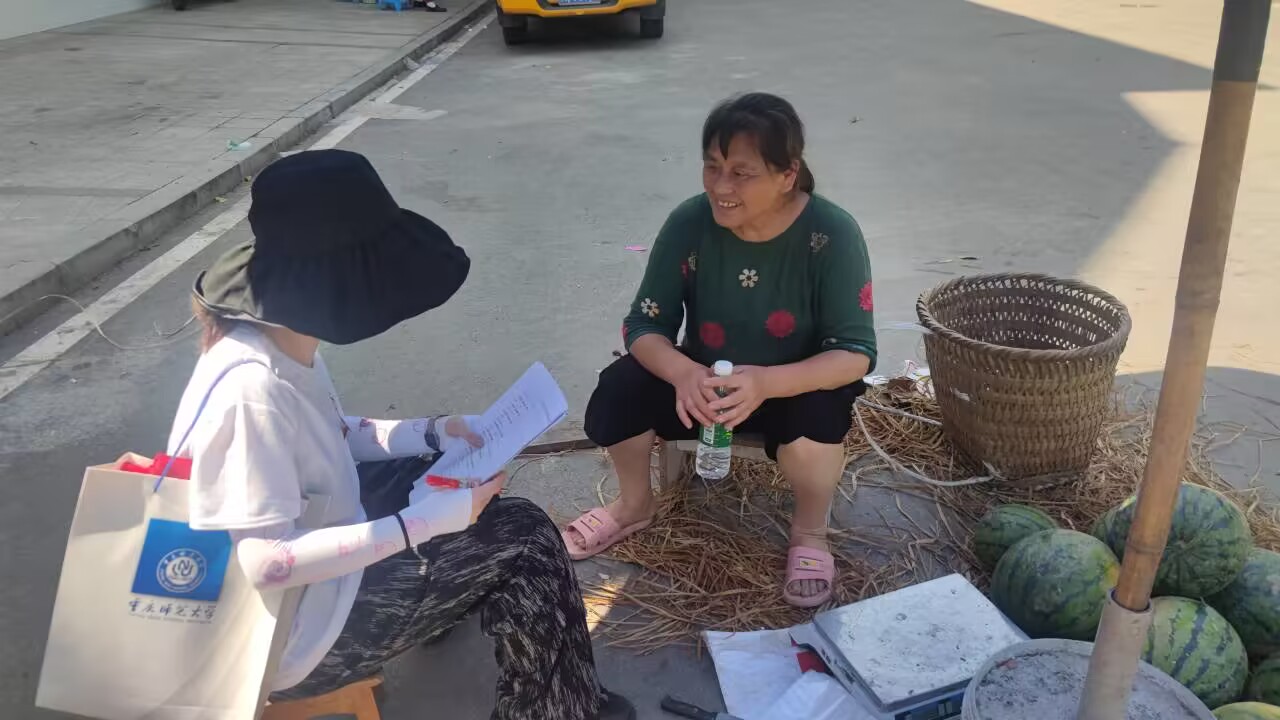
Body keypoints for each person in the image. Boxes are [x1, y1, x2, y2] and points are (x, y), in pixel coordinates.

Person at [170, 149, 634, 720]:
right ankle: (557, 710)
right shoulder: (252, 391)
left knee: (440, 472)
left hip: (309, 578)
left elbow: (334, 435)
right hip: (292, 636)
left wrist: (438, 432)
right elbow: (266, 562)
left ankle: (447, 599)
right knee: (526, 537)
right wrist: (426, 524)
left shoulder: (276, 338)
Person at [563, 93, 876, 609]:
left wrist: (766, 383)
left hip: (793, 385)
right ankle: (634, 505)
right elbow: (644, 324)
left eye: (741, 173)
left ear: (787, 174)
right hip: (705, 385)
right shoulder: (690, 222)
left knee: (819, 426)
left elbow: (855, 352)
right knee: (621, 388)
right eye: (712, 167)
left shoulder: (832, 234)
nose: (720, 187)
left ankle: (809, 531)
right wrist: (684, 374)